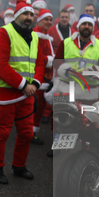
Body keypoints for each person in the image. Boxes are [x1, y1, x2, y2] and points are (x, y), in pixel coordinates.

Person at [0, 0, 45, 184]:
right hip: (7, 94)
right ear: (16, 15)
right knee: (2, 133)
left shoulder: (35, 36)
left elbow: (40, 62)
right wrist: (24, 85)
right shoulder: (4, 32)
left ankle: (19, 166)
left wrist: (35, 84)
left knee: (27, 133)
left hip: (27, 94)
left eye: (31, 14)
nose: (29, 17)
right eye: (25, 14)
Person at [54, 14, 99, 103]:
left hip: (88, 95)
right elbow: (57, 62)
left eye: (90, 24)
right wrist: (68, 71)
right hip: (65, 91)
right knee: (61, 116)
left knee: (86, 117)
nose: (87, 27)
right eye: (84, 24)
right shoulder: (65, 42)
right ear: (79, 25)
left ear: (93, 27)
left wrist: (91, 73)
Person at [31, 8, 55, 146]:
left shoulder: (45, 35)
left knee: (38, 108)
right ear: (39, 20)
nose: (49, 22)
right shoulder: (36, 35)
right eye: (46, 19)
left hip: (45, 77)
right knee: (36, 107)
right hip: (38, 76)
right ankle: (31, 134)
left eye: (50, 19)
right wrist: (51, 60)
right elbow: (36, 56)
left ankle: (32, 132)